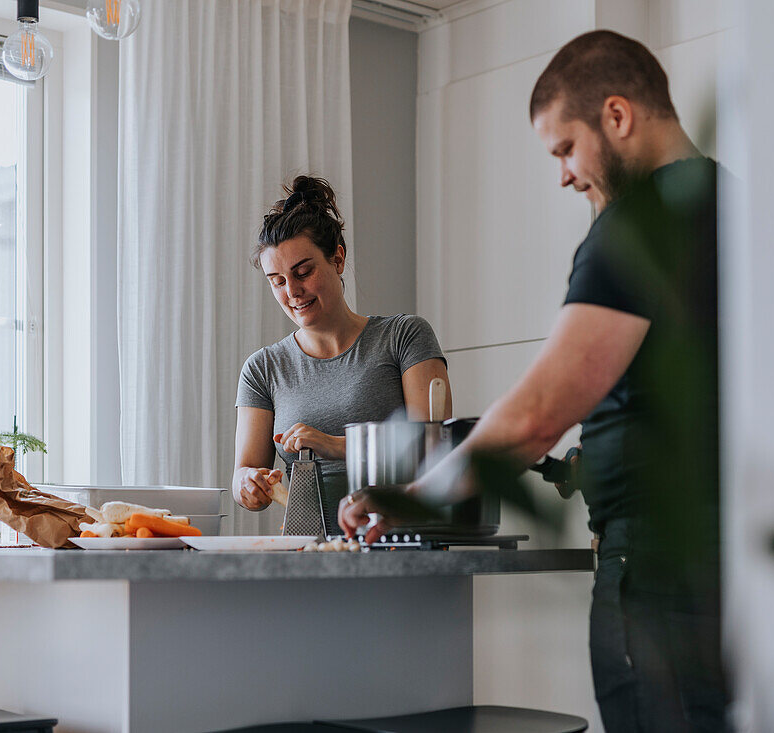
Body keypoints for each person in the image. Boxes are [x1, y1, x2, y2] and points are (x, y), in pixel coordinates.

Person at [341, 30, 729, 733]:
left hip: (654, 573)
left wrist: (415, 498)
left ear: (617, 116)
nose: (564, 174)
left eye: (564, 148)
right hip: (722, 560)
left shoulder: (634, 228)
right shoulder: (731, 204)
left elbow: (539, 415)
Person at [234, 175, 452, 533]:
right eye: (277, 280)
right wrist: (248, 484)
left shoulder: (404, 337)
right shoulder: (263, 369)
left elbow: (433, 450)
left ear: (337, 258)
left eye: (303, 272)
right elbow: (243, 476)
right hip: (307, 555)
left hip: (398, 546)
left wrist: (335, 445)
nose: (293, 291)